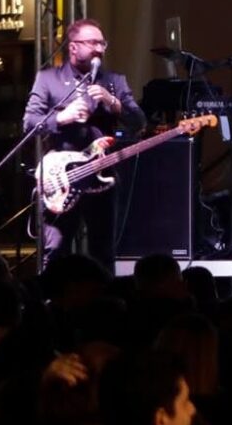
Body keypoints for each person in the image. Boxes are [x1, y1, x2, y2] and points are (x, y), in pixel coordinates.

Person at [22, 17, 147, 269]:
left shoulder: (114, 81)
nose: (99, 48)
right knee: (55, 252)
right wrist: (62, 117)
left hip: (101, 178)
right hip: (62, 178)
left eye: (102, 43)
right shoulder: (49, 79)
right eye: (92, 43)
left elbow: (139, 121)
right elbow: (29, 122)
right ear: (73, 46)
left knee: (103, 252)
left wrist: (113, 102)